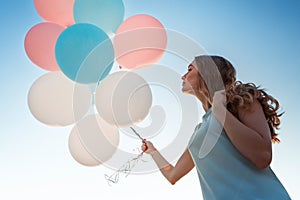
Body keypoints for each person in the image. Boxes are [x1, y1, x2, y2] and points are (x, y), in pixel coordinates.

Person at [141, 55, 291, 199]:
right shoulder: (199, 133)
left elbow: (263, 156)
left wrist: (219, 109)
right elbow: (172, 175)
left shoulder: (240, 99)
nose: (183, 76)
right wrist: (153, 151)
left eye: (190, 69)